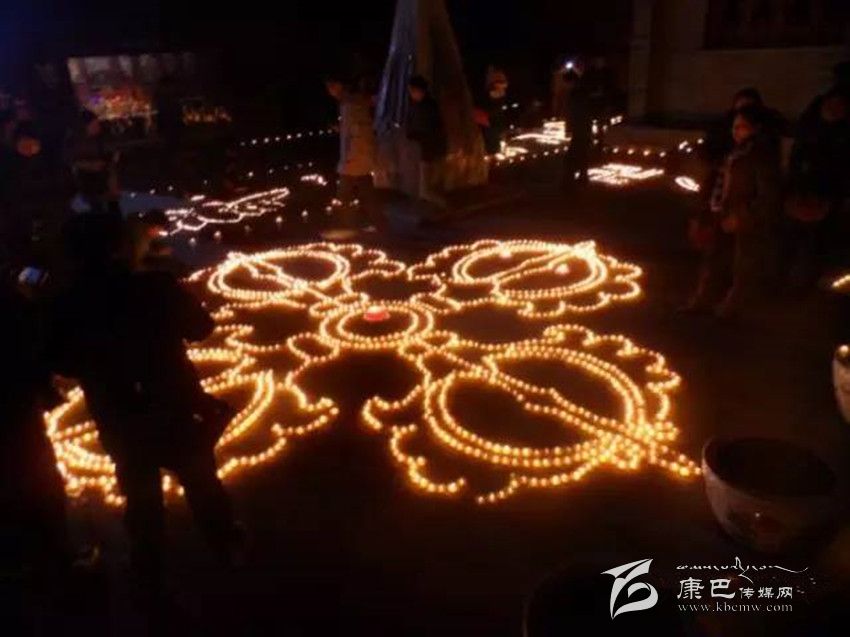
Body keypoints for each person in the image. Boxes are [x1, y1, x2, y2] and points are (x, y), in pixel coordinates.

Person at [49, 214, 242, 596]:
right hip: (175, 404)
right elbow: (202, 328)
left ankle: (148, 564)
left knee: (139, 490)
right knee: (200, 478)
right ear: (124, 248)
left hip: (118, 414)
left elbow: (62, 363)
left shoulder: (66, 305)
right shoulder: (156, 285)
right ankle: (225, 545)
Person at [684, 106, 782, 318]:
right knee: (714, 260)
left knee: (742, 266)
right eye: (734, 127)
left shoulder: (761, 156)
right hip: (722, 213)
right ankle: (703, 301)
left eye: (742, 127)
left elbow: (768, 195)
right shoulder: (732, 152)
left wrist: (744, 216)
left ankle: (732, 309)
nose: (736, 132)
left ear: (756, 129)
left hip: (743, 218)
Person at [781, 89, 850, 285]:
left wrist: (832, 202)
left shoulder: (840, 140)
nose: (834, 111)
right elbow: (795, 164)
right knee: (797, 246)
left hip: (827, 203)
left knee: (817, 250)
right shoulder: (809, 133)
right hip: (802, 197)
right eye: (831, 106)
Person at [324, 74, 380, 236]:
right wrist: (341, 129)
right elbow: (354, 129)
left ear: (338, 85)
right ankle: (372, 223)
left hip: (354, 159)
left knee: (346, 195)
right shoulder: (350, 103)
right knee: (365, 193)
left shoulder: (350, 104)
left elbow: (357, 132)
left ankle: (347, 226)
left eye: (331, 87)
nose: (330, 92)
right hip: (357, 159)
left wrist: (349, 157)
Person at [64, 110, 119, 215]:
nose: (97, 127)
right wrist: (88, 165)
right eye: (93, 124)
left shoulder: (101, 139)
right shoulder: (74, 142)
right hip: (84, 183)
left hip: (102, 180)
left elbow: (110, 159)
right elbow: (70, 161)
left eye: (97, 123)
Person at [406, 75, 447, 208]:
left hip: (429, 151)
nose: (411, 94)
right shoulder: (414, 105)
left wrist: (415, 135)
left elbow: (431, 130)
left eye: (413, 91)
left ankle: (445, 206)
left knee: (426, 189)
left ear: (420, 90)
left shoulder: (428, 107)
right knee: (425, 187)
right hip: (422, 150)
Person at [561, 70, 592, 189]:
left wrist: (569, 128)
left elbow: (573, 113)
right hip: (583, 127)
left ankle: (571, 178)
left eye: (565, 83)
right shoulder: (581, 92)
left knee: (574, 154)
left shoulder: (576, 94)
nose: (564, 86)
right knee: (581, 152)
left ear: (571, 82)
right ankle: (582, 176)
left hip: (580, 128)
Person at [474, 67, 509, 155]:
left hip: (491, 125)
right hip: (487, 125)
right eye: (499, 82)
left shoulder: (498, 96)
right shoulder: (487, 96)